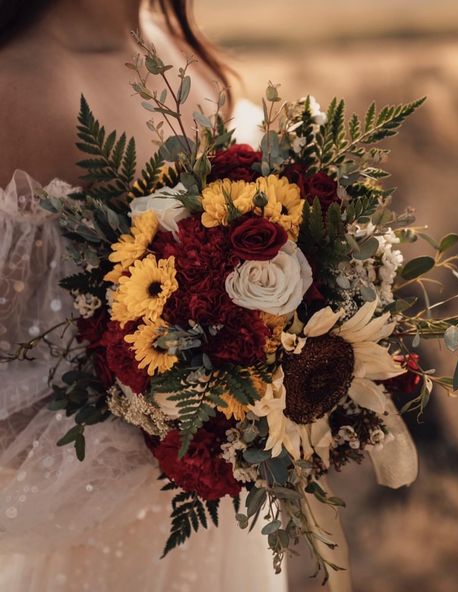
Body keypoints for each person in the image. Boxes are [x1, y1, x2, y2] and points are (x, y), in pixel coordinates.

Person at [0, 2, 289, 591]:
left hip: (227, 532)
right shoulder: (18, 91)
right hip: (94, 559)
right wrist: (194, 430)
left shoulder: (182, 60)